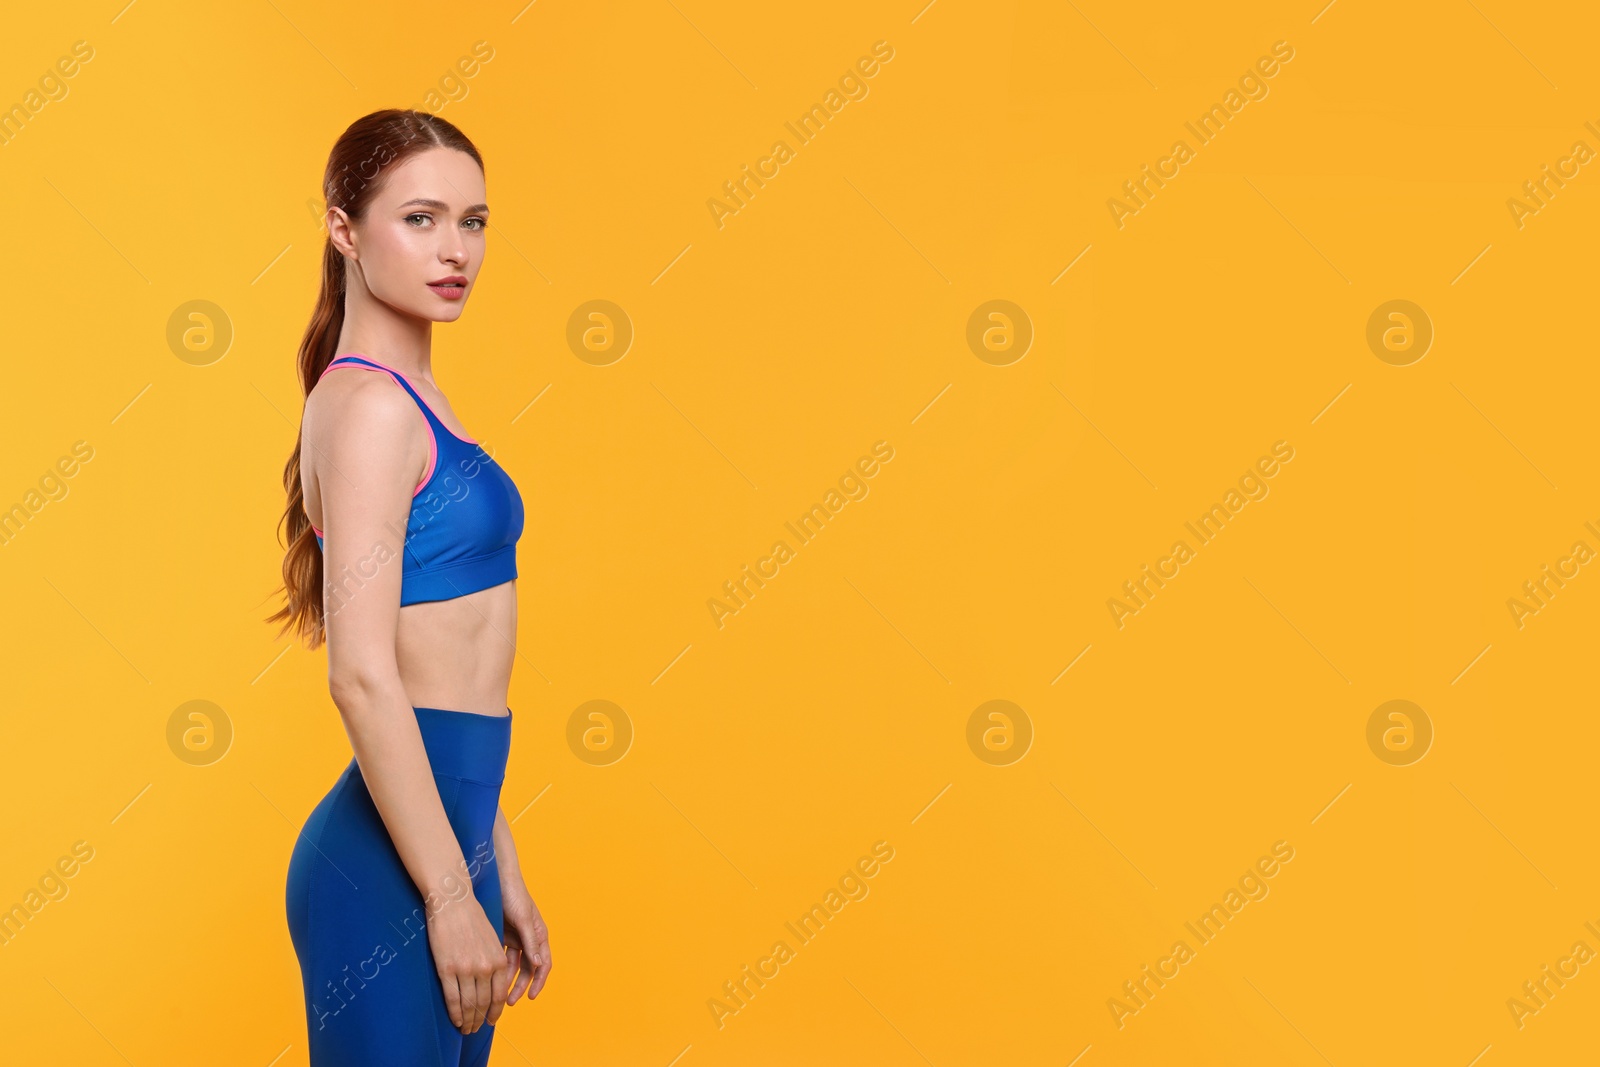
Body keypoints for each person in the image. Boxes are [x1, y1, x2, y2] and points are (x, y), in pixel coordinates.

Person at [267, 108, 550, 1065]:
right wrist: (446, 892)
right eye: (420, 219)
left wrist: (494, 860)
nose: (455, 249)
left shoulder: (416, 397)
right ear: (344, 229)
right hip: (387, 877)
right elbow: (362, 676)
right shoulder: (371, 409)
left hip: (448, 838)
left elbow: (446, 682)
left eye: (473, 222)